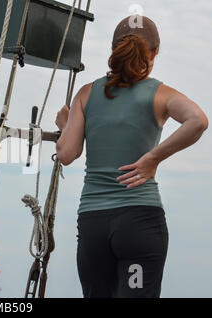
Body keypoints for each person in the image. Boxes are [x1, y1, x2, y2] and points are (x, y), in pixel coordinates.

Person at [55, 15, 208, 298]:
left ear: (114, 50)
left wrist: (66, 127)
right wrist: (153, 158)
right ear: (154, 52)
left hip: (94, 225)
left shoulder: (86, 94)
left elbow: (66, 153)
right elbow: (198, 120)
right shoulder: (161, 94)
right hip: (139, 222)